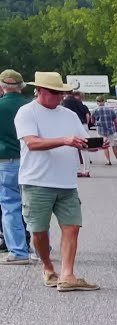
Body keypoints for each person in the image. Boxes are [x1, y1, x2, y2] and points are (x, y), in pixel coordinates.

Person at [14, 72, 97, 291]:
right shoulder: (27, 112)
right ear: (39, 90)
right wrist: (64, 140)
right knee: (38, 231)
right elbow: (32, 143)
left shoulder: (68, 115)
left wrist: (94, 144)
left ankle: (67, 275)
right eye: (54, 92)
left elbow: (82, 140)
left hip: (66, 182)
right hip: (36, 180)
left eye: (61, 92)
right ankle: (48, 267)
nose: (59, 96)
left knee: (72, 228)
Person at [0, 68, 32, 265]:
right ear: (21, 87)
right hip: (31, 160)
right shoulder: (30, 106)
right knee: (34, 204)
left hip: (6, 161)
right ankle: (38, 244)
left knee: (10, 205)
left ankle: (18, 251)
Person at [62, 89, 92, 176]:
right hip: (83, 125)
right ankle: (87, 170)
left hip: (72, 125)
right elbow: (87, 115)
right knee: (84, 148)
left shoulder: (66, 102)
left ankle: (77, 170)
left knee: (74, 148)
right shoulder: (80, 103)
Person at [91, 95, 117, 166]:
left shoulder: (95, 110)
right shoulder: (110, 110)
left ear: (97, 102)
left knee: (105, 146)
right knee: (114, 145)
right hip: (111, 129)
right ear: (104, 101)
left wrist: (95, 123)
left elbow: (92, 121)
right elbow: (115, 121)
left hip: (101, 130)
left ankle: (108, 161)